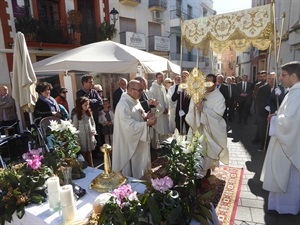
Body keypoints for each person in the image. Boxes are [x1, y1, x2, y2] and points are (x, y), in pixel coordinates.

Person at [260, 61, 300, 215]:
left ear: (294, 76)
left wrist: (274, 119)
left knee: (288, 177)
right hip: (285, 143)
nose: (280, 79)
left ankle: (286, 208)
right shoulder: (293, 92)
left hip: (287, 146)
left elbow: (290, 122)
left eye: (283, 75)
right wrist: (277, 115)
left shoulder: (296, 95)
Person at [185, 74, 229, 177]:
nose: (207, 85)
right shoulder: (201, 93)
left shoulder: (219, 97)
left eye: (209, 83)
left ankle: (204, 172)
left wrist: (203, 109)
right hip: (198, 128)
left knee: (206, 153)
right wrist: (195, 102)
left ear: (215, 84)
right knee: (197, 151)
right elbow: (193, 108)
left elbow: (218, 115)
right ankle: (197, 172)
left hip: (210, 130)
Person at [112, 80, 157, 179]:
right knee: (130, 174)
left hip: (138, 143)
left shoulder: (134, 100)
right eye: (140, 90)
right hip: (129, 145)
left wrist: (145, 117)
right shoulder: (123, 105)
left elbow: (138, 115)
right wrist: (146, 124)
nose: (142, 92)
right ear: (131, 90)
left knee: (140, 168)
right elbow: (128, 127)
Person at [76, 75, 103, 154]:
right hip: (85, 119)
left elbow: (100, 102)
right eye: (90, 82)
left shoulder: (94, 91)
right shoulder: (79, 92)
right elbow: (82, 103)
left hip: (95, 117)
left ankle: (97, 152)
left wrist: (89, 101)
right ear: (84, 83)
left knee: (95, 135)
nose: (92, 83)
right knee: (87, 137)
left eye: (92, 81)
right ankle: (90, 155)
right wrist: (94, 101)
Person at [72, 97, 97, 167]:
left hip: (89, 135)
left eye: (88, 105)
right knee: (83, 153)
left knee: (89, 152)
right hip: (82, 137)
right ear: (80, 106)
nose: (87, 106)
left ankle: (91, 166)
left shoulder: (89, 114)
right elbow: (75, 128)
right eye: (85, 105)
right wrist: (76, 140)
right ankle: (85, 167)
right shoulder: (76, 116)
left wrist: (93, 130)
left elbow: (93, 123)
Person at [149, 72, 169, 145]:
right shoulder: (153, 88)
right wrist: (162, 109)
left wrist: (166, 108)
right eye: (159, 77)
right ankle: (156, 146)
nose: (161, 79)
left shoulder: (163, 87)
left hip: (164, 112)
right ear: (156, 78)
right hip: (158, 113)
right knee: (157, 131)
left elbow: (165, 99)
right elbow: (153, 100)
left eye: (162, 77)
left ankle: (164, 144)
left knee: (164, 130)